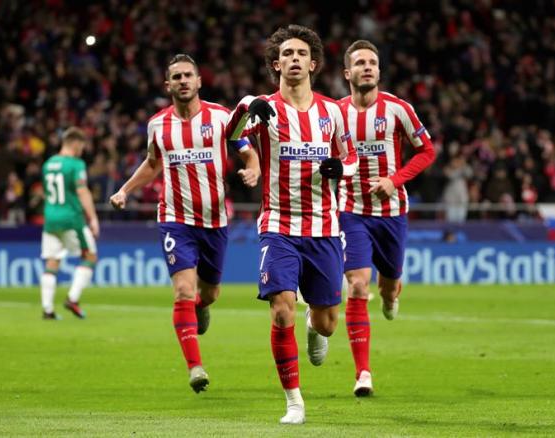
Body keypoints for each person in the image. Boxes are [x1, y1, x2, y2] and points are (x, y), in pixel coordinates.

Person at [226, 25, 358, 424]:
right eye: (287, 54)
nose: (295, 59)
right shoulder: (264, 109)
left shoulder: (332, 111)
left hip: (323, 228)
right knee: (281, 309)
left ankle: (315, 329)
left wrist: (342, 169)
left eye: (302, 53)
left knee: (328, 322)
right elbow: (232, 137)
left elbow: (351, 159)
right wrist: (246, 105)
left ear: (313, 63)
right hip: (279, 225)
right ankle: (294, 402)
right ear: (276, 64)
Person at [109, 54, 260, 394]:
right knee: (183, 290)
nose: (182, 81)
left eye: (188, 75)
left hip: (216, 221)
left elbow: (246, 149)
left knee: (209, 293)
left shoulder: (222, 117)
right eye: (175, 76)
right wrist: (124, 190)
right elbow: (152, 163)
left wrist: (253, 168)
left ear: (199, 81)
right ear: (168, 85)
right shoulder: (157, 125)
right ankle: (195, 367)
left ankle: (202, 308)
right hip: (175, 219)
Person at [338, 40, 436, 396]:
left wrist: (394, 181)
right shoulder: (335, 114)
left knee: (387, 285)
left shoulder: (398, 109)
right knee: (358, 285)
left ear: (379, 71)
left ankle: (392, 294)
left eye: (373, 62)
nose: (367, 67)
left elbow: (427, 151)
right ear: (347, 73)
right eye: (360, 63)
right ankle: (363, 372)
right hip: (351, 212)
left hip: (392, 213)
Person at [40, 127, 99, 320]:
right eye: (81, 146)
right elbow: (82, 191)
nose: (82, 150)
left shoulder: (48, 163)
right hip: (72, 219)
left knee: (52, 262)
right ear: (75, 143)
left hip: (50, 218)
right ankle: (72, 299)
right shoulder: (75, 164)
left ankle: (47, 310)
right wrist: (93, 218)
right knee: (89, 256)